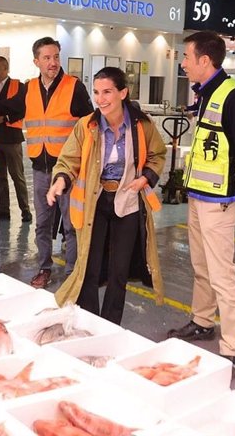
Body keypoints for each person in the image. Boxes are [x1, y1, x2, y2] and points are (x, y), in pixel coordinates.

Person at [166, 31, 235, 376]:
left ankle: (232, 347)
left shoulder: (233, 97)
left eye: (187, 57)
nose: (183, 63)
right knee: (201, 266)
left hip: (221, 201)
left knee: (223, 274)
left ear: (205, 61)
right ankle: (203, 321)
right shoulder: (205, 94)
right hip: (199, 195)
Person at [48, 67, 166, 324]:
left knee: (118, 273)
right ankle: (90, 323)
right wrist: (60, 180)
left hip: (128, 204)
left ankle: (110, 325)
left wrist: (145, 178)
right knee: (89, 268)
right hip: (95, 203)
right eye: (97, 92)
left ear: (123, 92)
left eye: (108, 92)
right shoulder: (87, 126)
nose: (100, 99)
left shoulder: (142, 125)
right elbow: (68, 160)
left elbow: (158, 155)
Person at [25, 36, 94, 288]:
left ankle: (72, 274)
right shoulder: (29, 88)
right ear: (36, 61)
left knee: (71, 224)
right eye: (47, 58)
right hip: (40, 169)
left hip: (68, 170)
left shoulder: (74, 86)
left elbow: (90, 126)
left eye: (56, 57)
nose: (53, 62)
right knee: (42, 223)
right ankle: (44, 267)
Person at [0, 56, 32, 223]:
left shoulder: (18, 86)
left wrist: (2, 116)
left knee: (17, 175)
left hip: (11, 138)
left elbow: (20, 107)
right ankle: (3, 211)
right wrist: (3, 106)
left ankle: (25, 209)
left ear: (5, 67)